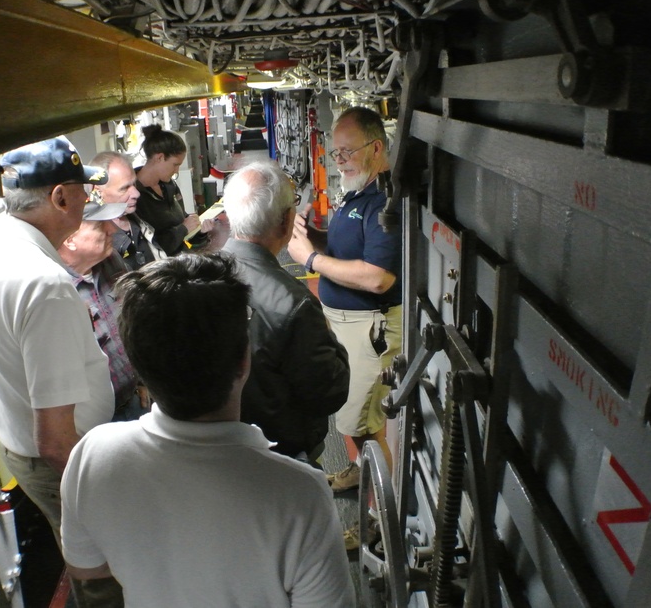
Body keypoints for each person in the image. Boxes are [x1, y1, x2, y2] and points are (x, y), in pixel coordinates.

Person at [60, 254, 356, 608]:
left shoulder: (91, 456)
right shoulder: (300, 494)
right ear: (244, 361)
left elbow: (87, 568)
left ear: (137, 361)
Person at [0, 137, 122, 606]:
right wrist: (108, 496)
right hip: (61, 462)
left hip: (22, 453)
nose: (88, 201)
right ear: (60, 197)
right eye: (82, 191)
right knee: (106, 575)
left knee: (79, 556)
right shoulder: (45, 285)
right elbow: (55, 440)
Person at [287, 106, 402, 495]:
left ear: (376, 147)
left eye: (347, 152)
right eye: (335, 153)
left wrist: (310, 259)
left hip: (369, 328)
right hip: (348, 325)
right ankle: (359, 472)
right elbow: (348, 249)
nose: (340, 162)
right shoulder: (359, 192)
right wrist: (315, 238)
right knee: (353, 417)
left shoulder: (384, 202)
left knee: (363, 425)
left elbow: (378, 278)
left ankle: (381, 523)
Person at [221, 162, 350, 462]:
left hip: (217, 450)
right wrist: (333, 341)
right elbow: (330, 391)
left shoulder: (199, 275)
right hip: (281, 455)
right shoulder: (295, 305)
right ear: (285, 222)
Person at [58, 195, 151, 421]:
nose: (112, 229)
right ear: (70, 239)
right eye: (100, 225)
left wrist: (143, 379)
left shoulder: (111, 260)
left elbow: (134, 320)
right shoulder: (57, 289)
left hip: (135, 399)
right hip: (97, 420)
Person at [134, 124, 213, 256]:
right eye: (175, 165)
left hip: (182, 257)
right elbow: (150, 247)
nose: (176, 171)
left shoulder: (169, 186)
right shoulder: (135, 197)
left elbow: (182, 222)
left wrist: (200, 231)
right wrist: (183, 229)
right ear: (159, 158)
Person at [90, 151, 155, 270]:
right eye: (124, 188)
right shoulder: (96, 243)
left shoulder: (141, 217)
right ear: (98, 191)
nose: (136, 193)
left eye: (134, 184)